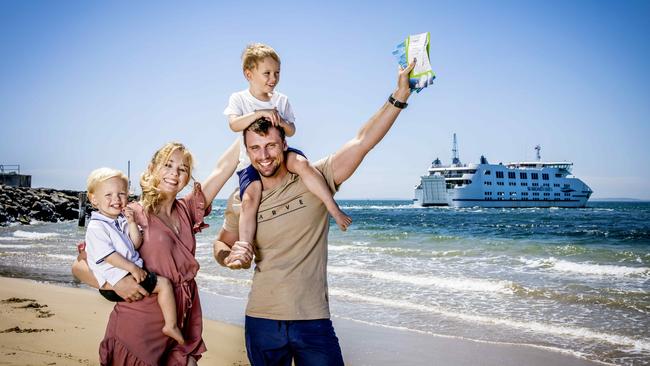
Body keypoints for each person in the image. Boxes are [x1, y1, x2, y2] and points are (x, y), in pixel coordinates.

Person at [214, 60, 416, 365]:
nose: (264, 156)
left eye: (271, 145)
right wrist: (228, 258)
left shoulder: (315, 177)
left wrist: (399, 96)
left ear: (284, 143)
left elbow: (363, 142)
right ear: (246, 150)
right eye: (255, 148)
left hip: (313, 321)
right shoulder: (241, 198)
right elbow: (222, 244)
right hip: (261, 321)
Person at [72, 140, 239, 365]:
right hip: (139, 324)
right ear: (152, 169)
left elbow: (224, 167)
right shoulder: (129, 214)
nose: (174, 173)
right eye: (168, 165)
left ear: (187, 177)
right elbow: (80, 266)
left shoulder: (188, 209)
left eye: (182, 169)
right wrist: (116, 284)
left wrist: (257, 115)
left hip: (180, 319)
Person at [224, 43, 351, 266]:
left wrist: (281, 121)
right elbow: (234, 124)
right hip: (251, 162)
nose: (273, 78)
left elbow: (291, 130)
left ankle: (333, 207)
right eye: (267, 73)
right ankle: (245, 246)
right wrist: (259, 113)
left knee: (302, 163)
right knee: (249, 198)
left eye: (277, 73)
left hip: (280, 154)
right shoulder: (240, 99)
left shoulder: (281, 100)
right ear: (249, 74)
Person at [84, 167, 184, 345]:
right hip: (115, 279)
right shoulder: (96, 227)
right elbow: (109, 256)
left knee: (151, 295)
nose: (116, 199)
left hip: (123, 275)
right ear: (93, 199)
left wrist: (131, 223)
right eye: (108, 195)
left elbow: (135, 243)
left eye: (121, 194)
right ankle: (171, 325)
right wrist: (132, 267)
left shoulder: (118, 221)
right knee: (164, 285)